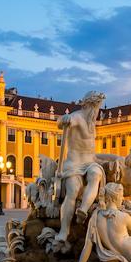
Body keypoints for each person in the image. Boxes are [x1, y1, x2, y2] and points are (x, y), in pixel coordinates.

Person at [54, 91, 107, 246]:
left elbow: (93, 152)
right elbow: (61, 122)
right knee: (73, 190)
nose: (97, 110)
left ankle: (83, 210)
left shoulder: (92, 122)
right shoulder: (77, 117)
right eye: (96, 107)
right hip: (74, 163)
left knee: (96, 174)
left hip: (90, 162)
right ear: (89, 105)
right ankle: (64, 230)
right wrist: (64, 120)